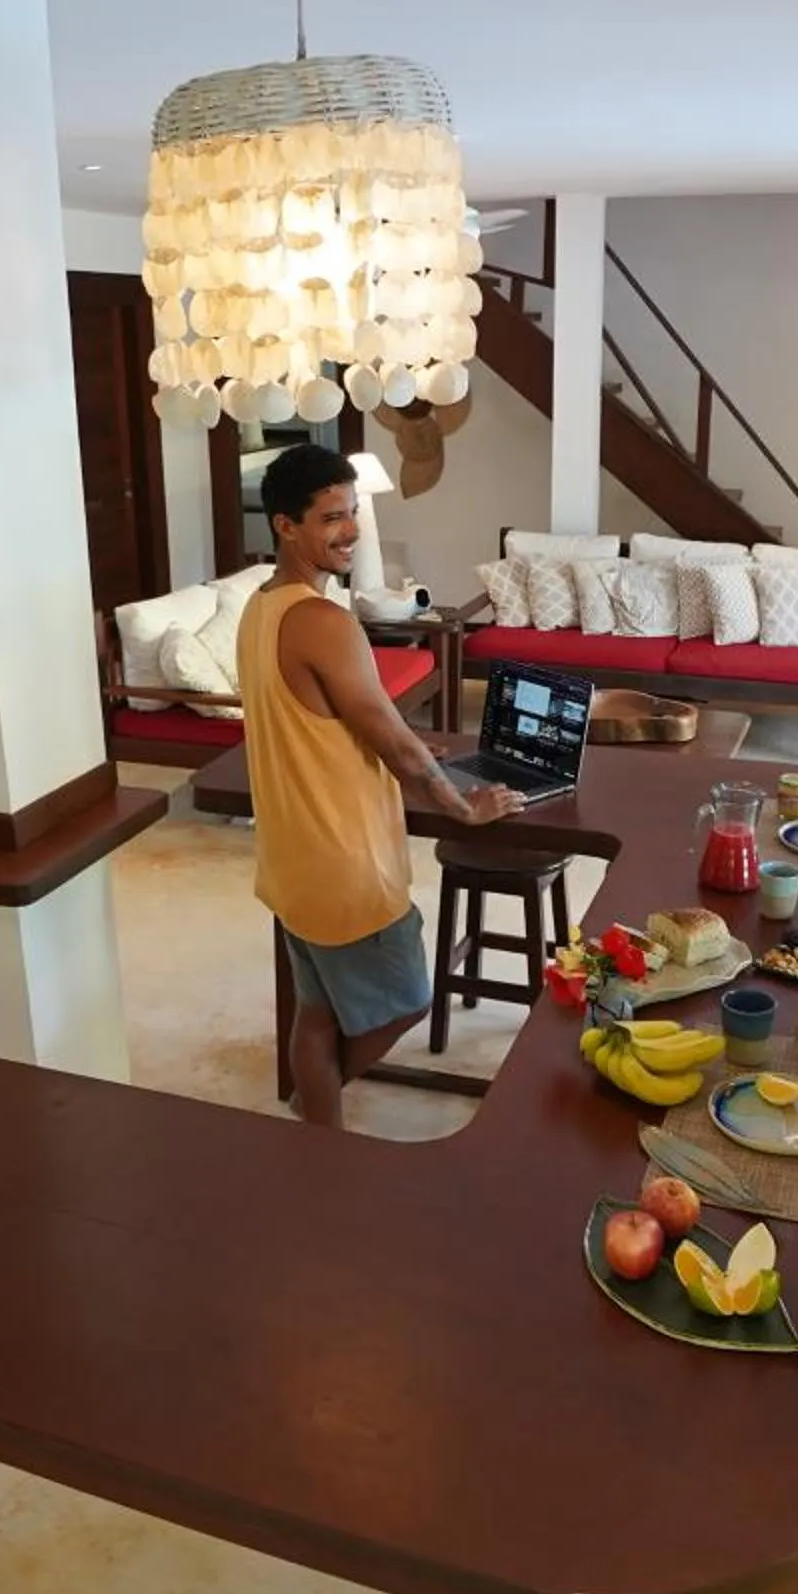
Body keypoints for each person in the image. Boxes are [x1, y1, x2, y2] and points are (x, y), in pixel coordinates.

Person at [238, 443, 522, 1129]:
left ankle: (319, 1136)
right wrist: (464, 808)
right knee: (407, 1001)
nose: (350, 530)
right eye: (331, 517)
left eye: (352, 512)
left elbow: (321, 719)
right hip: (345, 864)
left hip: (290, 858)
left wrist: (385, 737)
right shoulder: (323, 621)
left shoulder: (260, 607)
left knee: (318, 1009)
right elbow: (398, 748)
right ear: (285, 525)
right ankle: (317, 1108)